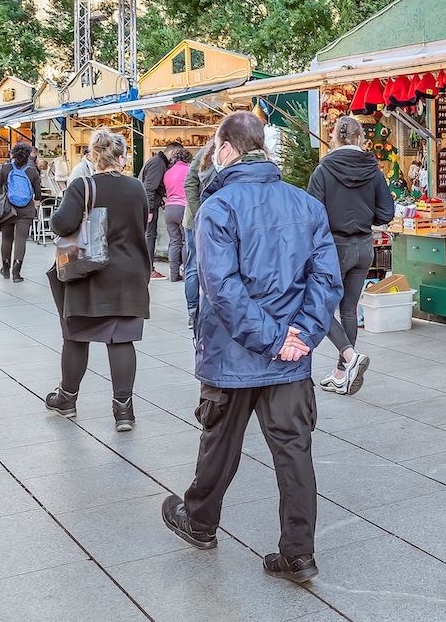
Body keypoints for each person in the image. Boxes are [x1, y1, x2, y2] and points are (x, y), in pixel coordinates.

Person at [162, 111, 341, 584]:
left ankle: (199, 521)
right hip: (288, 354)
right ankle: (298, 553)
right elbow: (326, 281)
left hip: (235, 354)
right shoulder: (306, 205)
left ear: (226, 148)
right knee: (294, 452)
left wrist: (275, 339)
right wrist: (298, 336)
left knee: (220, 444)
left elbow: (221, 289)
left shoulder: (218, 208)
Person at [42, 129, 151, 431]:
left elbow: (62, 224)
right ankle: (124, 411)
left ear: (92, 156)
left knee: (76, 336)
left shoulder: (82, 186)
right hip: (128, 273)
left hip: (87, 273)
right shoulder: (136, 187)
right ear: (121, 157)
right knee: (122, 340)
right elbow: (142, 223)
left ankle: (67, 398)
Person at [307, 116, 395, 396]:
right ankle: (341, 373)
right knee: (349, 310)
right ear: (360, 138)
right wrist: (366, 216)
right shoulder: (374, 170)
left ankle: (350, 357)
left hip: (333, 247)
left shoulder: (323, 170)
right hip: (364, 246)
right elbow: (386, 213)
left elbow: (311, 214)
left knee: (319, 306)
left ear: (334, 137)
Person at [0, 142, 42, 283]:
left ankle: (5, 268)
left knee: (7, 238)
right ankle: (16, 272)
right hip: (26, 210)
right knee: (21, 239)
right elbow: (38, 194)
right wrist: (35, 205)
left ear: (13, 154)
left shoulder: (5, 168)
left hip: (8, 209)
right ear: (29, 155)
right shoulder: (32, 171)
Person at [182, 140, 216, 329]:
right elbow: (190, 183)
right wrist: (198, 214)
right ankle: (192, 311)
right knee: (194, 265)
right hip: (195, 220)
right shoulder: (205, 151)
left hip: (215, 219)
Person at [139, 141, 182, 280]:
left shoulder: (156, 161)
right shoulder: (158, 164)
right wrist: (150, 209)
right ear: (172, 152)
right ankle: (149, 269)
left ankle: (147, 268)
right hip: (148, 205)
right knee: (150, 236)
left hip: (149, 204)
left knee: (149, 235)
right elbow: (149, 187)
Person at [162, 149, 190, 282]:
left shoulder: (168, 172)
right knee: (185, 241)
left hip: (169, 208)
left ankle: (173, 274)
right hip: (183, 207)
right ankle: (187, 273)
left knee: (174, 241)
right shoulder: (188, 170)